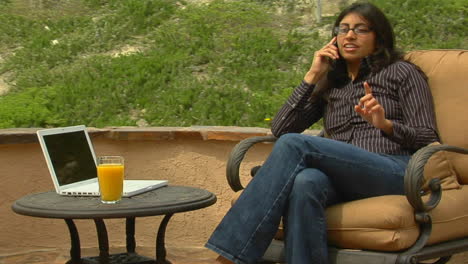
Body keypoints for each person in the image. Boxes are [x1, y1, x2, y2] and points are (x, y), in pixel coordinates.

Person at [206, 2, 439, 264]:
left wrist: (385, 124)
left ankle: (229, 257)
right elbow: (281, 128)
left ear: (378, 38)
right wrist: (312, 75)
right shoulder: (332, 83)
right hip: (343, 177)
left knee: (297, 145)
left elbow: (428, 137)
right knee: (306, 182)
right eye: (344, 29)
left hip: (394, 170)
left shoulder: (402, 72)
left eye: (361, 29)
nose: (349, 35)